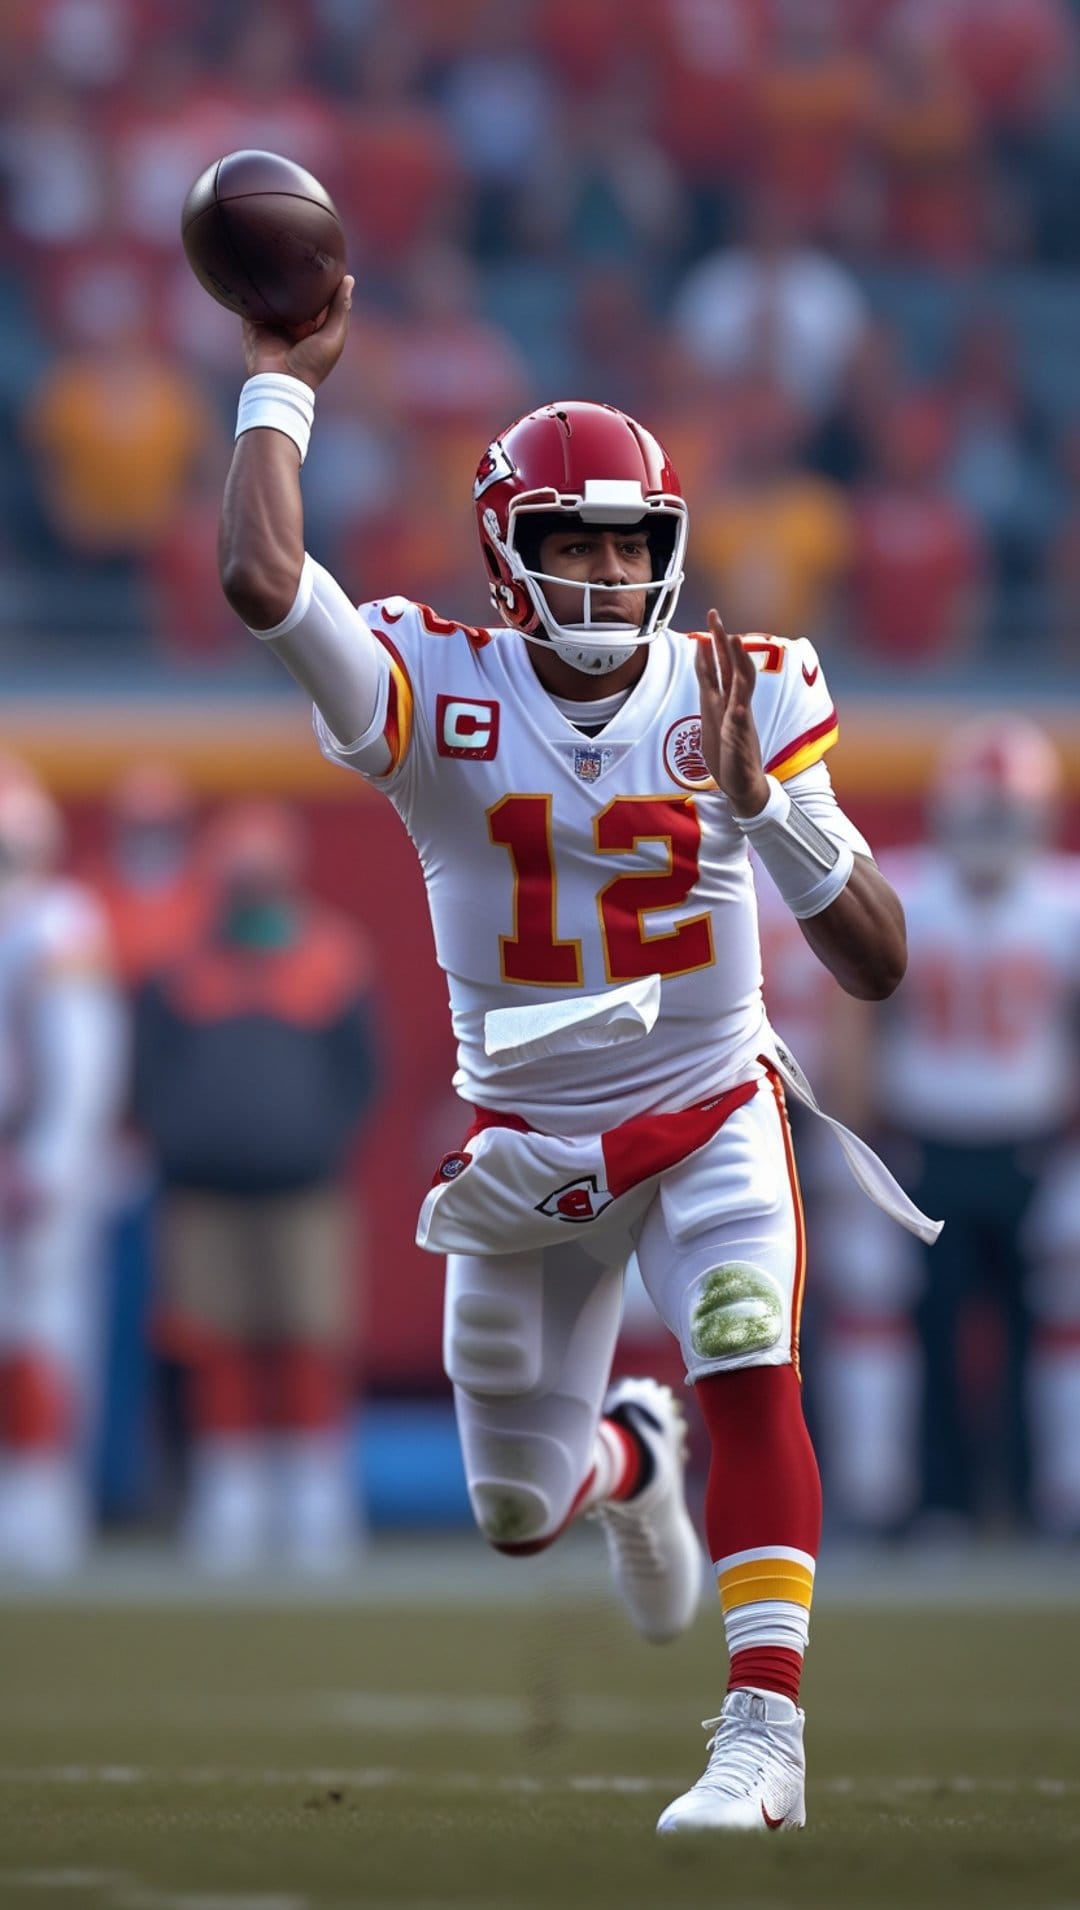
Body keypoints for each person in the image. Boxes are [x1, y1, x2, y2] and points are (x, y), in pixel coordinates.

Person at [216, 274, 929, 1833]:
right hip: (530, 1149)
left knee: (749, 1352)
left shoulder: (747, 688)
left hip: (710, 1105)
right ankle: (631, 1456)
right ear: (506, 553)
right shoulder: (435, 689)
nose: (609, 573)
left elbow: (877, 962)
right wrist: (283, 382)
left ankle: (765, 1736)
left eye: (630, 543)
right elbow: (264, 576)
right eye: (573, 543)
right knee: (517, 1506)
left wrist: (769, 812)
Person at [837, 715, 1080, 1537]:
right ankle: (939, 1499)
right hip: (925, 1144)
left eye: (1006, 817)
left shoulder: (1063, 902)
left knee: (1041, 1332)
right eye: (981, 815)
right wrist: (860, 1137)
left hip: (1031, 1147)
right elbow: (857, 1018)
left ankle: (1034, 1498)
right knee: (930, 1329)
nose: (992, 834)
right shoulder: (906, 891)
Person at [131, 798, 380, 1574]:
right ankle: (230, 1498)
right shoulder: (181, 966)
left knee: (308, 1341)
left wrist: (313, 1142)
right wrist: (183, 1141)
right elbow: (147, 1075)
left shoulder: (333, 957)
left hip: (304, 1190)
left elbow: (362, 1075)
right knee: (217, 1345)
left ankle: (313, 1498)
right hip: (204, 1191)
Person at [0, 757, 126, 1573]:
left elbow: (83, 1063)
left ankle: (38, 1500)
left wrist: (47, 1160)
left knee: (38, 1332)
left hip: (27, 1156)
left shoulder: (60, 922)